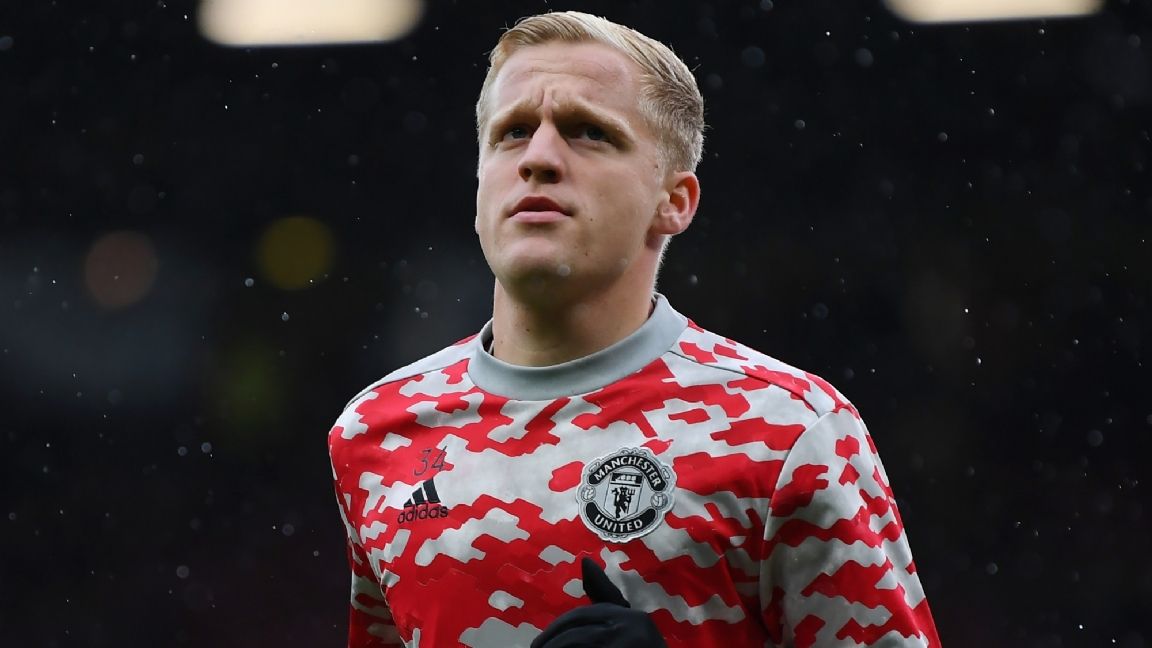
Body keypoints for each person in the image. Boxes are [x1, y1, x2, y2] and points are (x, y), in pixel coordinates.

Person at [328, 10, 941, 647]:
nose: (538, 158)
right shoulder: (374, 434)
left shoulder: (790, 431)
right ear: (480, 182)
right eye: (512, 133)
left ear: (673, 201)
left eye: (588, 132)